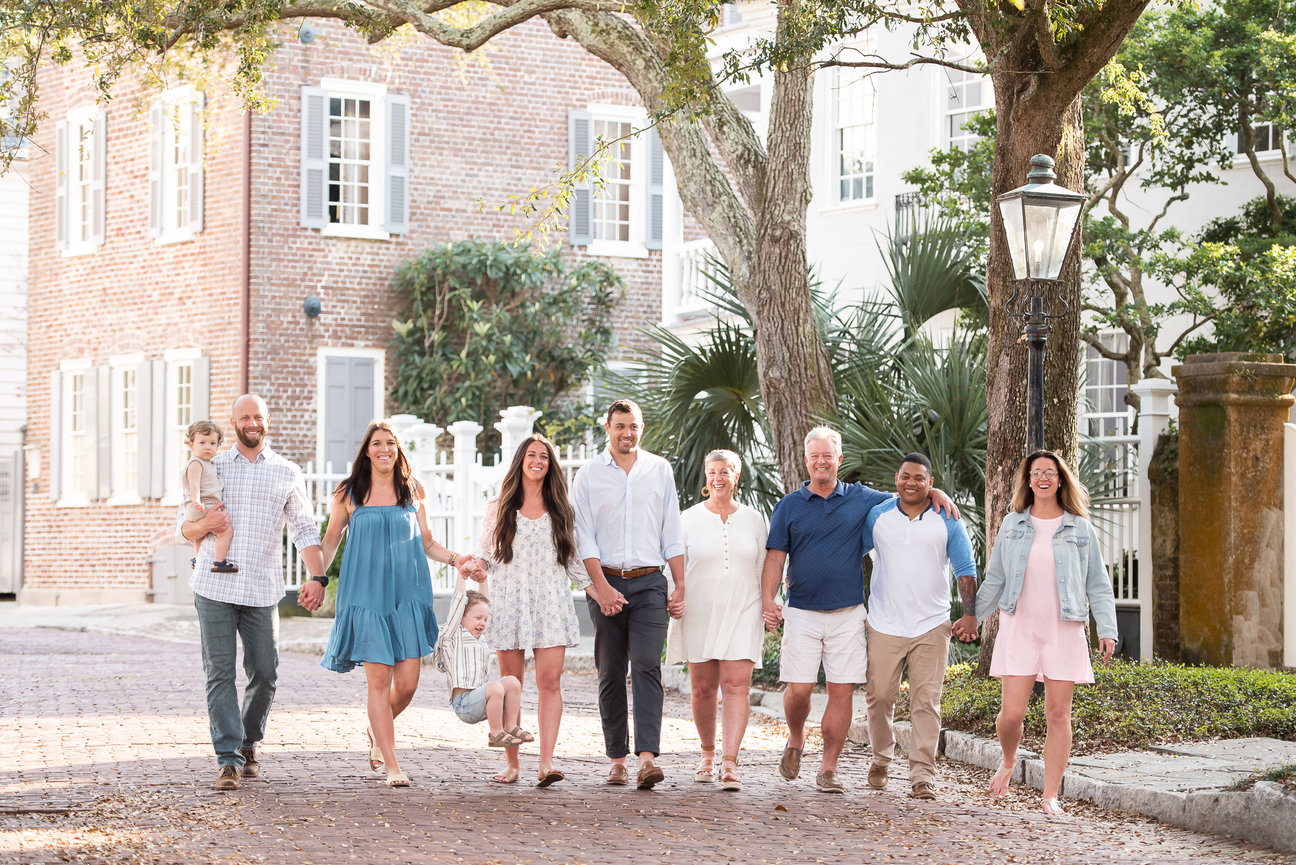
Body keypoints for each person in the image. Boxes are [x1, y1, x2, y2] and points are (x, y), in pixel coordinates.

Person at [761, 427, 956, 794]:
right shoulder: (788, 506)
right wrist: (769, 600)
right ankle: (797, 737)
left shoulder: (862, 499)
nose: (822, 461)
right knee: (799, 690)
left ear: (839, 460)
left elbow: (908, 492)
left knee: (841, 691)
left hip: (849, 612)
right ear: (807, 460)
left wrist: (935, 491)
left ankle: (829, 769)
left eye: (828, 455)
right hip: (801, 611)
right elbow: (775, 557)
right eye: (815, 455)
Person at [180, 394, 329, 792]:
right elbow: (185, 528)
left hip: (262, 588)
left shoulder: (286, 471)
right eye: (244, 417)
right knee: (220, 673)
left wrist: (318, 577)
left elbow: (303, 527)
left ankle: (248, 742)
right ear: (233, 423)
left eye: (258, 416)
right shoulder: (211, 464)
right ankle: (228, 758)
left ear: (267, 421)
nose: (251, 423)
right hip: (214, 584)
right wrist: (204, 523)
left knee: (265, 672)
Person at [318, 420, 478, 787]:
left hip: (408, 595)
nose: (384, 449)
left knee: (406, 686)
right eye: (376, 443)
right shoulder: (349, 492)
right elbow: (328, 541)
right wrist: (316, 578)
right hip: (366, 597)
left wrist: (458, 560)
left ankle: (378, 729)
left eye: (390, 443)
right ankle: (392, 765)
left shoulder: (413, 490)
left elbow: (428, 543)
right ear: (367, 450)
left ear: (398, 449)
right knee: (379, 681)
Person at [975, 449, 1118, 816]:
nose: (1043, 477)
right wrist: (972, 618)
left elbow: (1098, 585)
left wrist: (1108, 630)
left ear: (1060, 479)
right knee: (1011, 715)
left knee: (1059, 714)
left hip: (1064, 628)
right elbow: (995, 579)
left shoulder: (1079, 528)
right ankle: (1009, 760)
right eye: (1036, 471)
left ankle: (1049, 794)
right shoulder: (1012, 524)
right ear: (1028, 480)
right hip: (1019, 626)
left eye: (1050, 472)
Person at [473, 434, 618, 787]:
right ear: (521, 460)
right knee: (513, 685)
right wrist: (474, 568)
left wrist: (599, 595)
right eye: (532, 455)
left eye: (544, 457)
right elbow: (485, 556)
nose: (537, 461)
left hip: (550, 604)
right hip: (509, 604)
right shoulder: (498, 507)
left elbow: (571, 562)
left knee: (549, 681)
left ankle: (546, 763)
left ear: (550, 466)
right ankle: (512, 764)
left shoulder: (561, 510)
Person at [572, 398, 681, 790]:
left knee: (648, 663)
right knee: (611, 672)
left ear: (642, 427)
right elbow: (581, 536)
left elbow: (672, 530)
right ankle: (617, 759)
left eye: (633, 425)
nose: (627, 433)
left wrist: (679, 583)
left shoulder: (659, 470)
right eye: (620, 426)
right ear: (607, 428)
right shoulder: (587, 475)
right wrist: (601, 589)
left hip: (651, 580)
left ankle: (647, 759)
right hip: (606, 582)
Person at [861, 453, 978, 801]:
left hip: (931, 624)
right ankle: (881, 757)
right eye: (905, 477)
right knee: (879, 696)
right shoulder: (877, 516)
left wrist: (970, 614)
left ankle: (922, 776)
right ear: (896, 478)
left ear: (931, 483)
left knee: (926, 701)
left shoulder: (947, 518)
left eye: (920, 478)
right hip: (884, 622)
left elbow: (965, 569)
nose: (911, 483)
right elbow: (851, 551)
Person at [665, 449, 766, 792]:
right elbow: (674, 565)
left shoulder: (755, 519)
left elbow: (765, 567)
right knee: (703, 688)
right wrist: (673, 596)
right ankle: (707, 756)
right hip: (698, 608)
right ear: (706, 478)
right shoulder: (687, 518)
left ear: (736, 476)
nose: (718, 477)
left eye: (725, 471)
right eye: (712, 471)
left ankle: (729, 762)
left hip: (744, 607)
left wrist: (771, 603)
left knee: (736, 685)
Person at [431, 573, 536, 771]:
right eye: (477, 618)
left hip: (481, 702)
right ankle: (495, 733)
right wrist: (461, 574)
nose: (482, 623)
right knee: (495, 686)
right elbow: (458, 601)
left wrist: (483, 580)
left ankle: (510, 727)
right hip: (464, 704)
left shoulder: (479, 637)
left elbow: (486, 602)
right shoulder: (453, 634)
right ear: (461, 617)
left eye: (485, 619)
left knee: (512, 682)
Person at [182, 420, 236, 573]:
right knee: (225, 530)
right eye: (202, 442)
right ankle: (219, 562)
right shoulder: (196, 464)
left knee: (200, 535)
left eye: (212, 443)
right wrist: (196, 500)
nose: (208, 446)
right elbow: (194, 484)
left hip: (198, 507)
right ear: (191, 445)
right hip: (203, 504)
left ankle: (198, 559)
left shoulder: (207, 463)